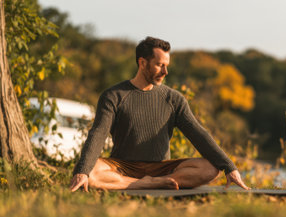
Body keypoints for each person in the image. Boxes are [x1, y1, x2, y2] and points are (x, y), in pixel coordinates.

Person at [70, 37, 249, 192]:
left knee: (211, 168)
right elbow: (99, 133)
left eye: (167, 66)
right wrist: (82, 171)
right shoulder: (114, 95)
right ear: (142, 63)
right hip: (122, 167)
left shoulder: (173, 99)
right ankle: (144, 184)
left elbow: (198, 134)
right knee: (91, 172)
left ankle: (149, 182)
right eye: (160, 65)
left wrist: (229, 167)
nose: (165, 72)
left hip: (164, 169)